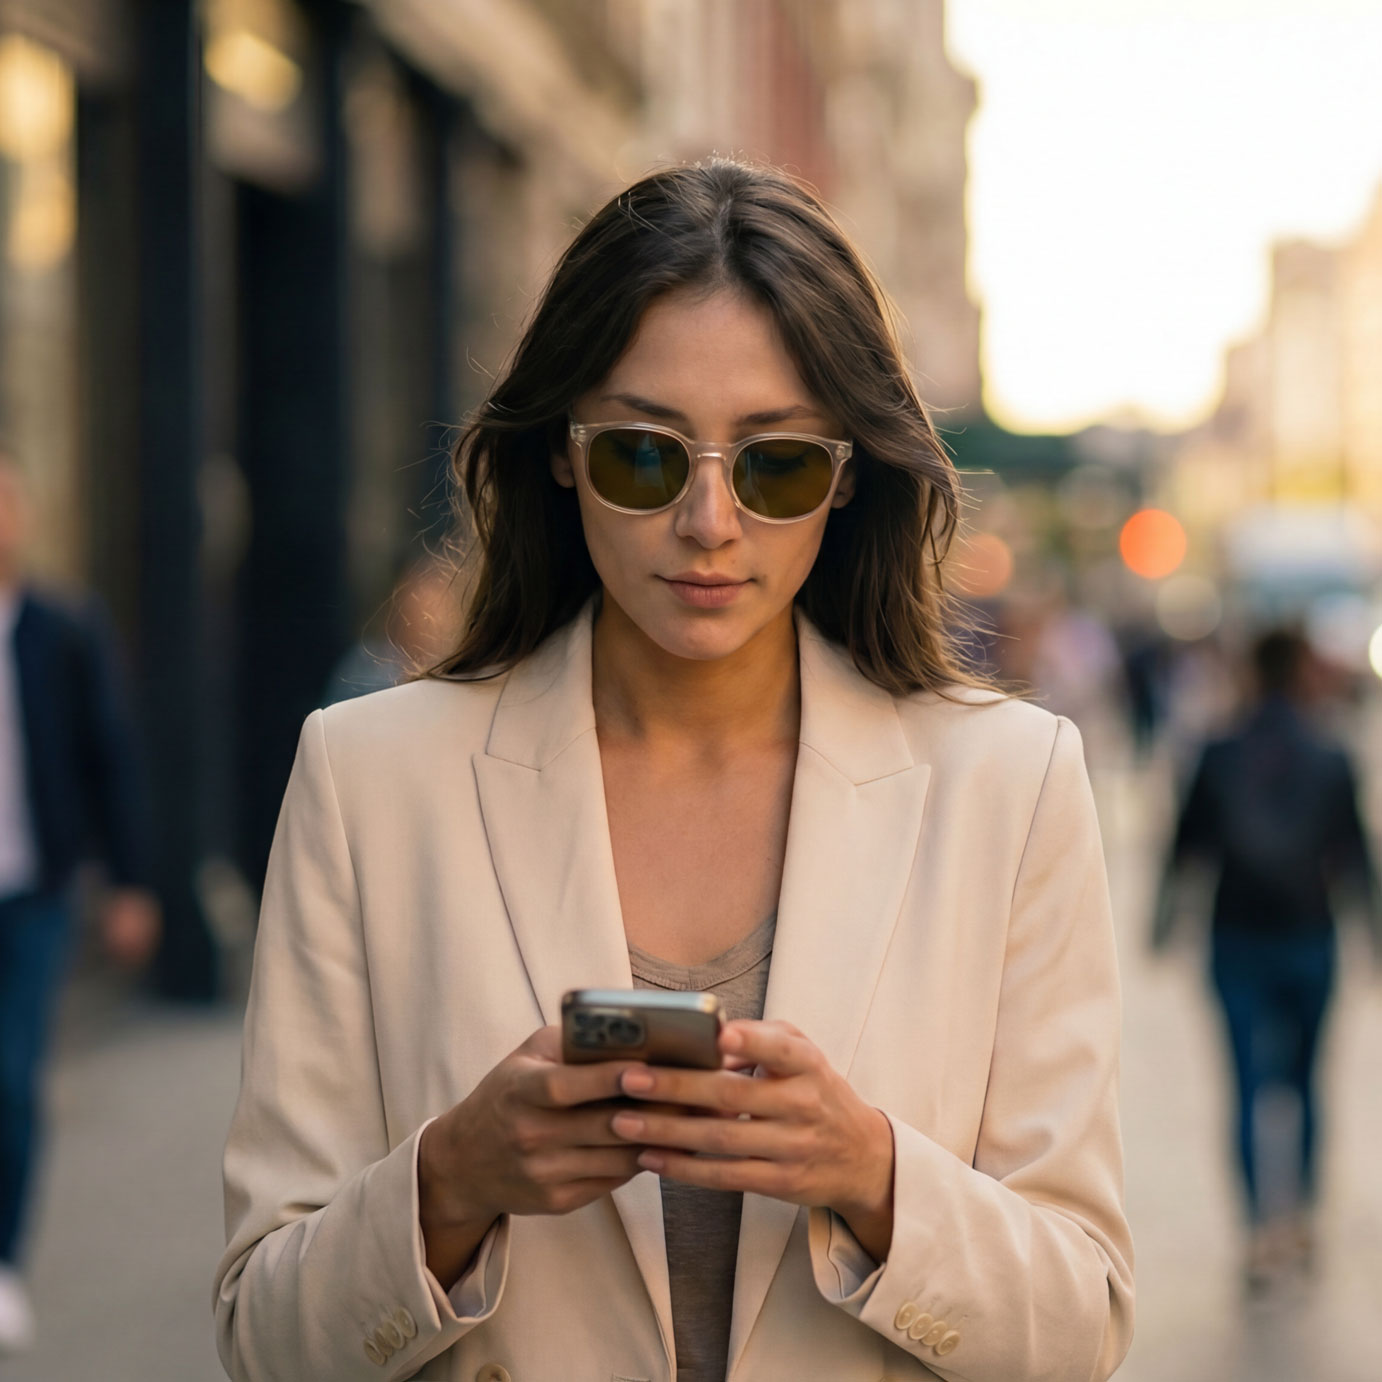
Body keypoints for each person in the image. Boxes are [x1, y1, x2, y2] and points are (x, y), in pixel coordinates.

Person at [214, 161, 1134, 1381]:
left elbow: (1081, 1325)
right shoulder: (369, 778)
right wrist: (449, 1184)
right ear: (559, 455)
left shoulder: (1007, 786)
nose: (708, 522)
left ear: (847, 474)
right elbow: (260, 1336)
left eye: (776, 464)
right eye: (645, 457)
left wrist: (869, 1171)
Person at [1154, 627, 1382, 1291]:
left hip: (1237, 938)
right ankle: (1303, 1218)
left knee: (1248, 1085)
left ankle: (1259, 1233)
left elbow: (1185, 845)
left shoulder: (1218, 751)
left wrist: (1162, 925)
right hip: (1310, 936)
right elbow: (1355, 855)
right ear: (1305, 672)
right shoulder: (1331, 753)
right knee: (1308, 1084)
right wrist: (1373, 935)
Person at [0, 446, 161, 1353]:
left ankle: (5, 1261)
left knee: (12, 1077)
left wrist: (132, 882)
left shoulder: (62, 630)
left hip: (35, 890)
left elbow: (111, 758)